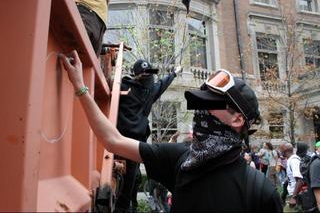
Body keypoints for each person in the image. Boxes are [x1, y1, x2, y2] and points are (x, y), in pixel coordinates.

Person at [59, 51, 282, 212]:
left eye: (210, 103)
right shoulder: (182, 158)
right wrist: (80, 88)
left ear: (237, 119)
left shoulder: (260, 192)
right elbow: (113, 140)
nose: (200, 111)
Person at [115, 59, 181, 212]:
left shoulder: (125, 86)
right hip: (132, 144)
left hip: (119, 140)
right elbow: (162, 85)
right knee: (128, 186)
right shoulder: (148, 91)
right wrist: (174, 74)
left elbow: (161, 85)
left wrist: (173, 74)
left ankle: (128, 206)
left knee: (130, 183)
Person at [280, 143, 304, 212]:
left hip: (296, 195)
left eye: (280, 149)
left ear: (284, 150)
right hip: (293, 194)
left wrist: (294, 197)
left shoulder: (294, 161)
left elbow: (300, 180)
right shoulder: (290, 159)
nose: (280, 151)